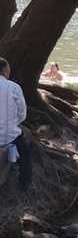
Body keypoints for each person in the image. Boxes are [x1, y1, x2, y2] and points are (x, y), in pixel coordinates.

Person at [0, 57, 31, 191]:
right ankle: (24, 185)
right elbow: (22, 113)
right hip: (10, 135)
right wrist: (13, 123)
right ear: (5, 71)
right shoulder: (14, 87)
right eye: (9, 69)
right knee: (26, 157)